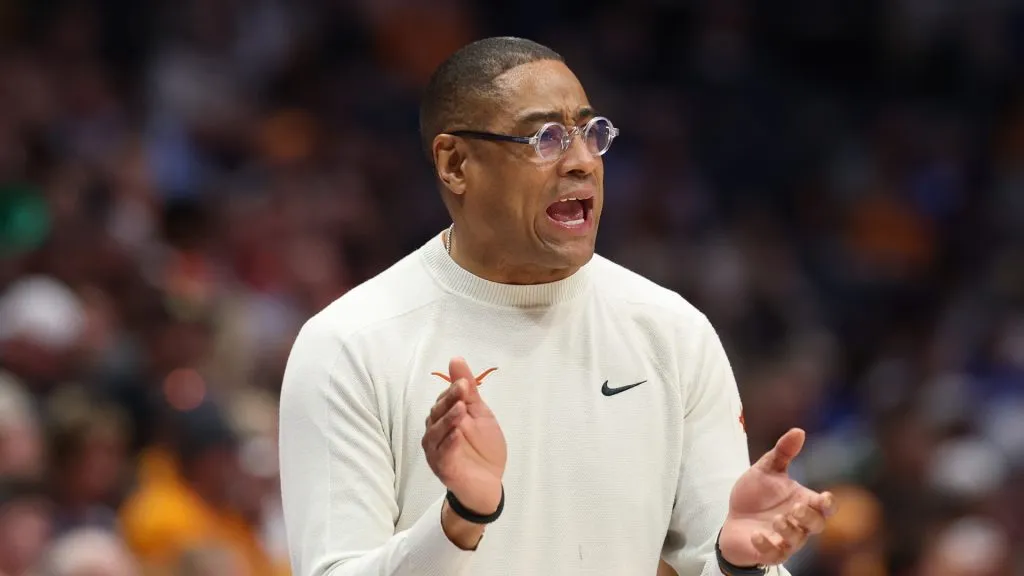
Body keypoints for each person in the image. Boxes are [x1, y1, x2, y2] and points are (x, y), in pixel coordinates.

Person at [278, 36, 835, 576]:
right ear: (454, 164)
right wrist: (460, 519)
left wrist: (740, 566)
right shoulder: (349, 344)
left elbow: (725, 559)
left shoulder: (673, 334)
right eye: (545, 138)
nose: (582, 163)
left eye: (592, 134)